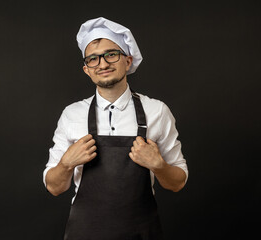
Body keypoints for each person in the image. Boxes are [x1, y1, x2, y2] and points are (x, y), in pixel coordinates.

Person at [43, 17, 188, 240]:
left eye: (111, 54)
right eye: (93, 59)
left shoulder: (157, 111)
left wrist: (159, 165)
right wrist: (66, 163)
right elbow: (54, 187)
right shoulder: (72, 114)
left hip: (142, 232)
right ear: (86, 69)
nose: (102, 64)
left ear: (128, 61)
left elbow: (177, 182)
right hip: (85, 233)